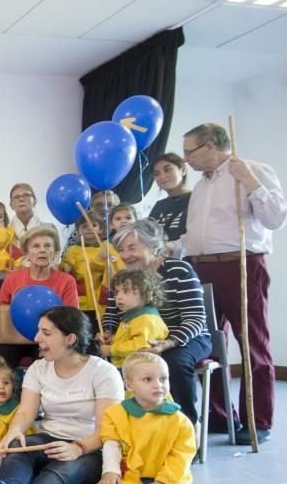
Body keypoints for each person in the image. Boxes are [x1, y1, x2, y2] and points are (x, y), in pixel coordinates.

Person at [0, 306, 125, 484]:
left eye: (46, 332)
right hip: (49, 437)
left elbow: (107, 431)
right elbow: (25, 412)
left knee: (54, 473)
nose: (36, 338)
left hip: (90, 447)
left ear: (70, 339)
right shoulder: (38, 368)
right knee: (17, 447)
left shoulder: (104, 372)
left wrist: (77, 448)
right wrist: (14, 431)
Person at [178, 122, 287, 444]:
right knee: (211, 343)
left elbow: (275, 218)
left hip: (240, 264)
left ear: (210, 146)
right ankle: (220, 415)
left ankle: (258, 420)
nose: (186, 159)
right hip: (201, 268)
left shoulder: (253, 171)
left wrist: (251, 183)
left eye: (190, 151)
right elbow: (197, 235)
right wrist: (173, 248)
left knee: (252, 342)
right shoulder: (199, 187)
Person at [56, 352, 195, 484]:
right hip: (130, 478)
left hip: (164, 483)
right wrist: (111, 471)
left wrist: (162, 483)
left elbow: (181, 457)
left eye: (163, 378)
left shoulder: (180, 422)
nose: (158, 384)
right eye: (148, 379)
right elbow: (112, 444)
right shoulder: (117, 413)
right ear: (129, 385)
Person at [101, 219, 211, 427]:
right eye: (122, 249)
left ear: (154, 246)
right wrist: (106, 331)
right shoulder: (122, 278)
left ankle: (184, 427)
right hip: (139, 341)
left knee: (172, 362)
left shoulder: (179, 270)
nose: (126, 255)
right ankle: (129, 426)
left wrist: (168, 343)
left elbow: (195, 318)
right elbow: (111, 315)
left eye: (132, 247)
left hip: (184, 339)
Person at [0, 226, 78, 369]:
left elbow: (73, 320)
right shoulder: (12, 279)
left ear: (54, 253)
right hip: (14, 341)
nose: (42, 250)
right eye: (36, 246)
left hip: (51, 342)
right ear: (26, 254)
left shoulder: (66, 281)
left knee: (54, 363)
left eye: (47, 246)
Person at [99, 269, 168, 369]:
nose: (118, 297)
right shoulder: (133, 314)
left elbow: (140, 346)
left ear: (147, 295)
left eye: (126, 291)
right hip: (128, 366)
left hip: (140, 370)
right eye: (117, 292)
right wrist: (113, 338)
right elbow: (129, 336)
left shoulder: (147, 319)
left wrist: (111, 350)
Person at [59, 212, 107, 330]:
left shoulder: (106, 248)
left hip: (100, 297)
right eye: (85, 226)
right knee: (82, 328)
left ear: (100, 228)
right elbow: (64, 266)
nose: (89, 228)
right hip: (81, 297)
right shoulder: (73, 249)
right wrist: (65, 267)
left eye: (94, 225)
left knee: (99, 328)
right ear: (79, 230)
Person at [149, 153, 191, 241]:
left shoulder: (196, 199)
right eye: (156, 174)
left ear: (183, 170)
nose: (162, 176)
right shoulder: (159, 206)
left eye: (167, 170)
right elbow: (149, 237)